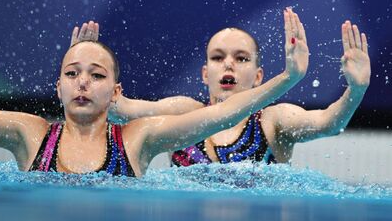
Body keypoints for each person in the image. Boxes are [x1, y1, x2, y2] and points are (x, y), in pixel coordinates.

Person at [0, 0, 308, 176]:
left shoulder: (137, 139)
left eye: (96, 75)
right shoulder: (28, 135)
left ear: (115, 93)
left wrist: (288, 78)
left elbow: (222, 112)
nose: (82, 83)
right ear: (58, 87)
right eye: (72, 74)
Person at [102, 14, 370, 165]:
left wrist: (356, 90)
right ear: (205, 74)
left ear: (258, 76)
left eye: (241, 58)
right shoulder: (183, 112)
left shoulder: (273, 121)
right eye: (218, 58)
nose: (228, 64)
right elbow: (121, 110)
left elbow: (328, 123)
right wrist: (93, 69)